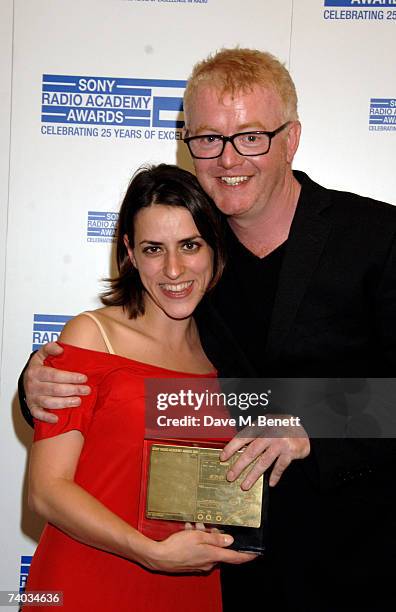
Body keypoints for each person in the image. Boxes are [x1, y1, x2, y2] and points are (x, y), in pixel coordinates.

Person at [20, 49, 396, 611]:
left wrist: (311, 423)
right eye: (208, 139)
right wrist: (36, 386)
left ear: (291, 139)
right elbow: (134, 374)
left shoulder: (377, 236)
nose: (227, 158)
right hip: (222, 572)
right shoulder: (193, 248)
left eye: (250, 136)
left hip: (353, 563)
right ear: (187, 143)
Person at [22, 164, 255, 612]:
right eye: (153, 249)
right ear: (129, 251)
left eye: (190, 245)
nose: (173, 269)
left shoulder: (226, 356)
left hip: (192, 585)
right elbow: (47, 489)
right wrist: (147, 550)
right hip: (86, 584)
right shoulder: (91, 336)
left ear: (214, 249)